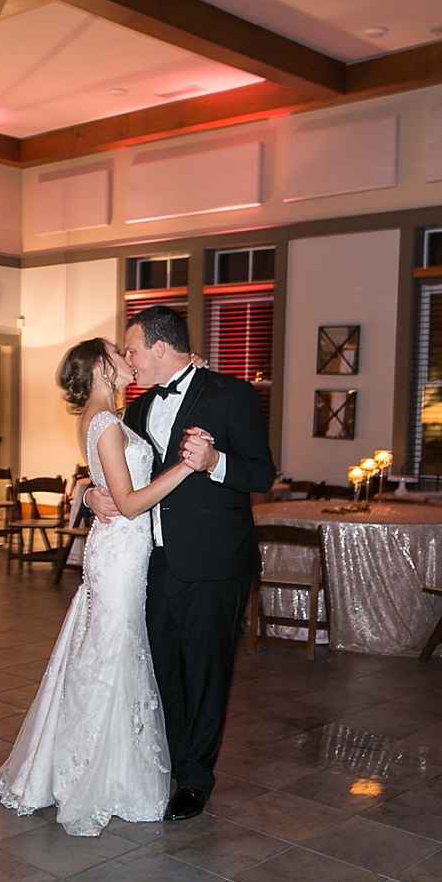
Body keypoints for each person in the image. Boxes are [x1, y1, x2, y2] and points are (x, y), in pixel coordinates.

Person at [0, 337, 195, 836]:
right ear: (104, 366)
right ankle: (94, 774)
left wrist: (86, 491)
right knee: (112, 653)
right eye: (118, 353)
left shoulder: (107, 418)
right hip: (121, 552)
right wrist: (186, 469)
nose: (129, 359)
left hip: (123, 552)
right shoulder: (104, 423)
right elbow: (127, 503)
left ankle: (100, 763)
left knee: (109, 651)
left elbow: (105, 482)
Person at [87, 305, 276, 821]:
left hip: (214, 563)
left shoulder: (230, 394)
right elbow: (114, 468)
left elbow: (262, 474)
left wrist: (214, 463)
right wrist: (88, 494)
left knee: (207, 673)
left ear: (160, 349)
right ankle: (170, 761)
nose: (128, 359)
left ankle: (196, 779)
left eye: (132, 350)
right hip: (150, 563)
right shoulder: (138, 409)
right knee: (162, 669)